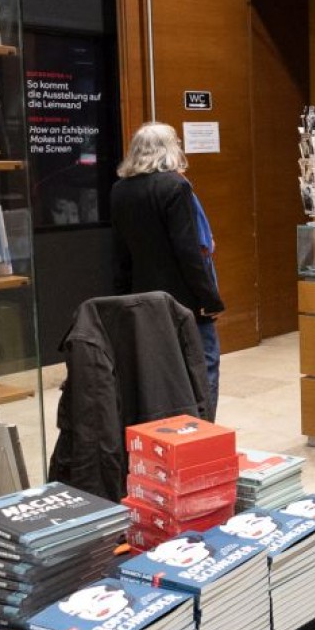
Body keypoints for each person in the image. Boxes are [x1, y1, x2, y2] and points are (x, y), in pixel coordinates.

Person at [111, 121, 224, 413]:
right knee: (204, 363)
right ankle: (202, 429)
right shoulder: (175, 186)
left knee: (160, 370)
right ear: (168, 149)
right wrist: (209, 299)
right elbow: (188, 250)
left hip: (142, 298)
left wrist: (122, 297)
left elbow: (121, 252)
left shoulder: (120, 190)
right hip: (183, 300)